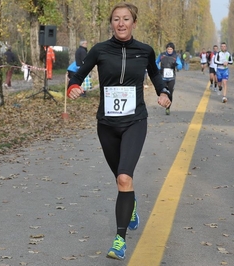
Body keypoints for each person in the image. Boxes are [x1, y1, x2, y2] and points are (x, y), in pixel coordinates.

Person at [66, 2, 171, 260]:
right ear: (111, 23)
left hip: (135, 121)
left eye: (126, 19)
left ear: (134, 23)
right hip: (107, 124)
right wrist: (73, 88)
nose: (121, 23)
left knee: (124, 178)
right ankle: (131, 203)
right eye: (116, 19)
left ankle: (120, 240)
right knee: (122, 180)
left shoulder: (144, 51)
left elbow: (156, 77)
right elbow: (76, 76)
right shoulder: (99, 50)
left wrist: (164, 92)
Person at [156, 42, 182, 115]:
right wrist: (158, 69)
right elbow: (156, 62)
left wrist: (176, 64)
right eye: (168, 49)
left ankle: (168, 108)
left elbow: (180, 66)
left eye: (171, 49)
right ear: (166, 49)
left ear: (173, 50)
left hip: (171, 78)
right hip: (163, 78)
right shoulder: (162, 55)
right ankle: (163, 102)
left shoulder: (175, 56)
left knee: (170, 93)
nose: (169, 50)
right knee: (164, 92)